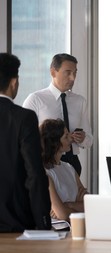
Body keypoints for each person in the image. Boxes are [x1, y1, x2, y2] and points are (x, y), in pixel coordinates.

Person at [0, 52, 51, 232]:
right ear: (14, 82)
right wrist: (43, 223)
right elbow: (34, 174)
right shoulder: (24, 118)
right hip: (17, 222)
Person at [23, 53, 93, 175]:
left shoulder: (80, 101)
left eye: (75, 73)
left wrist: (82, 138)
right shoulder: (35, 99)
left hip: (72, 162)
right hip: (45, 162)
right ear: (53, 72)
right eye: (68, 72)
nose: (73, 78)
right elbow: (24, 137)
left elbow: (89, 140)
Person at [40, 118, 88, 221]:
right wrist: (78, 206)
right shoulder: (45, 173)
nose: (71, 138)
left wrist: (69, 205)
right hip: (57, 231)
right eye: (66, 136)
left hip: (75, 227)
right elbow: (63, 215)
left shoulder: (69, 167)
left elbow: (89, 205)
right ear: (54, 142)